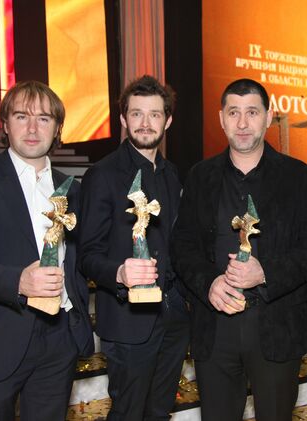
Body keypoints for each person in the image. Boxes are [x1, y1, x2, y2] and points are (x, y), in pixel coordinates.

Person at [171, 78, 307, 421]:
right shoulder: (199, 176)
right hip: (214, 327)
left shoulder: (297, 176)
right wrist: (208, 283)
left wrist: (265, 272)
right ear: (221, 119)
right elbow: (182, 246)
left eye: (252, 112)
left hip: (276, 325)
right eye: (234, 113)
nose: (242, 123)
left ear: (268, 117)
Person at [0, 80, 94, 421]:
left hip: (59, 339)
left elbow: (79, 260)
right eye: (22, 116)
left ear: (58, 128)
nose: (33, 128)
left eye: (44, 118)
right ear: (5, 124)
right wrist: (17, 281)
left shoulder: (73, 189)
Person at [78, 75, 189, 421]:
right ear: (123, 119)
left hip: (173, 317)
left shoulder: (172, 174)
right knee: (128, 413)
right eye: (136, 114)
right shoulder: (102, 175)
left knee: (159, 411)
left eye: (155, 114)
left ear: (167, 121)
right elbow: (87, 255)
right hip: (128, 320)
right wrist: (119, 273)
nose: (145, 122)